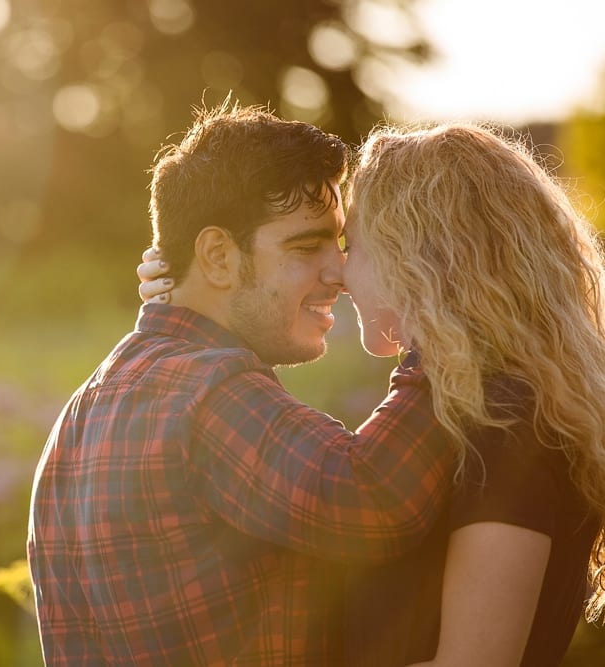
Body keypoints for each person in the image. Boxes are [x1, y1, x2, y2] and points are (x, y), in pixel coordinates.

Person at [141, 122, 605, 666]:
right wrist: (195, 307)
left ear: (420, 258)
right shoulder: (460, 408)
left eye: (351, 245)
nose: (337, 273)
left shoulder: (506, 421)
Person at [26, 101, 458, 666]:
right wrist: (454, 327)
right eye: (306, 247)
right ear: (217, 256)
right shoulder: (207, 388)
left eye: (343, 247)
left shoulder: (79, 416)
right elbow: (376, 497)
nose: (340, 274)